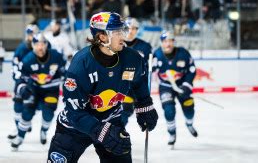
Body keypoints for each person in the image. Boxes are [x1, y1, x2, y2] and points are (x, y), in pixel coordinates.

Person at [47, 12, 158, 163]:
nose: (123, 36)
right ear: (102, 37)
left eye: (122, 30)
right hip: (74, 128)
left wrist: (144, 105)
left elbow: (138, 83)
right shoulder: (81, 64)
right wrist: (100, 130)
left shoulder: (132, 59)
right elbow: (74, 112)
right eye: (117, 32)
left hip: (111, 119)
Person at [11, 33, 66, 150]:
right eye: (37, 44)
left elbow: (66, 74)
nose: (40, 47)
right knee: (27, 112)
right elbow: (20, 78)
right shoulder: (27, 60)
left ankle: (44, 131)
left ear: (46, 45)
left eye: (42, 44)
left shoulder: (56, 56)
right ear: (33, 45)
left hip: (51, 90)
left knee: (48, 112)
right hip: (33, 90)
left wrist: (70, 89)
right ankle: (20, 137)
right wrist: (22, 89)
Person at [153, 31, 197, 146]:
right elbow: (150, 70)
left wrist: (187, 85)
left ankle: (189, 123)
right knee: (169, 110)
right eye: (165, 41)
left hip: (182, 85)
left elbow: (192, 70)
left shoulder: (183, 53)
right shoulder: (156, 54)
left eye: (170, 41)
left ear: (173, 42)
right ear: (162, 43)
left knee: (189, 107)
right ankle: (172, 133)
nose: (168, 44)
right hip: (166, 86)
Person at [8, 24, 39, 140]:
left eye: (34, 33)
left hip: (36, 82)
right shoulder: (22, 48)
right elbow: (15, 65)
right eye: (30, 34)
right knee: (18, 103)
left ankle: (26, 122)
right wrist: (18, 79)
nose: (32, 36)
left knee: (33, 105)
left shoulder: (43, 46)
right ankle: (18, 128)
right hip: (22, 81)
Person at [121, 17, 152, 126]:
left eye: (133, 28)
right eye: (127, 28)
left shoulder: (145, 47)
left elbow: (149, 67)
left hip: (137, 86)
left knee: (140, 114)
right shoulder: (116, 44)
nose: (130, 31)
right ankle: (116, 134)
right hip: (121, 85)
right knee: (122, 111)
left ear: (137, 30)